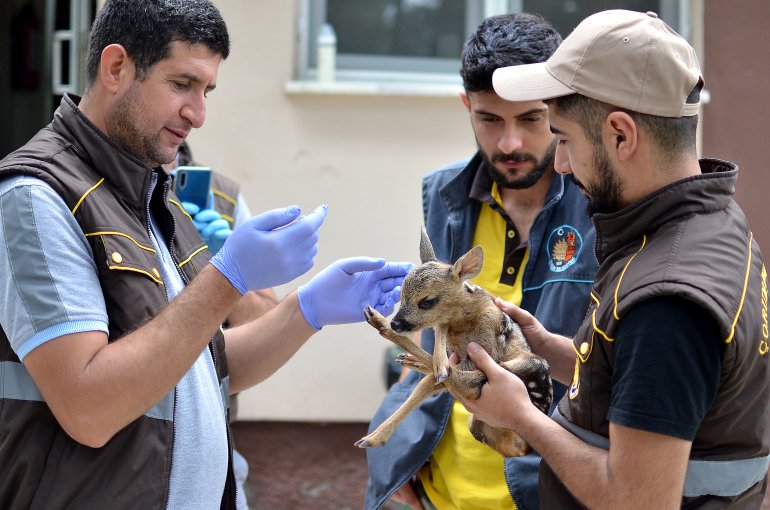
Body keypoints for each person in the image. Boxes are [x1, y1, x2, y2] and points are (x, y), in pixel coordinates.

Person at [0, 1, 412, 508]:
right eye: (181, 85)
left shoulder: (154, 192)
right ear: (115, 68)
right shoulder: (36, 196)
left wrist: (308, 310)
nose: (197, 114)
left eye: (206, 91)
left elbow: (205, 365)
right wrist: (228, 278)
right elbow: (88, 408)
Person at [452, 9, 770, 509]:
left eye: (565, 139)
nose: (558, 163)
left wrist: (521, 418)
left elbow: (637, 500)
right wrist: (550, 348)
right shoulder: (711, 221)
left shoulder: (666, 302)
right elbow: (646, 384)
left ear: (621, 135)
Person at [364, 13, 598, 510]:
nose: (509, 143)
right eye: (490, 119)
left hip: (550, 492)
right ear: (466, 105)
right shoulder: (443, 195)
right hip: (441, 492)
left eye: (531, 119)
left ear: (561, 107)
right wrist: (398, 457)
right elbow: (431, 338)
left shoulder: (604, 207)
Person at [163, 141, 278, 510]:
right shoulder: (93, 194)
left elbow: (266, 324)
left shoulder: (222, 199)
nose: (194, 112)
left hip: (213, 443)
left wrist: (225, 267)